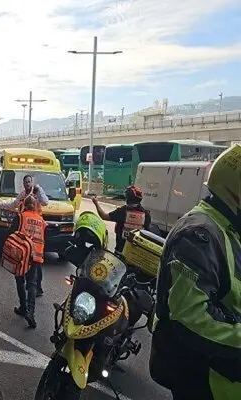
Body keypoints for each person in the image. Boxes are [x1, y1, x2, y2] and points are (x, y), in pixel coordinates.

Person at [150, 145, 241, 400]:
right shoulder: (199, 235)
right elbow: (190, 316)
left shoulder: (229, 229)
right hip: (206, 379)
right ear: (235, 195)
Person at [0, 174, 49, 294]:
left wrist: (39, 190)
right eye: (25, 182)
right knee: (25, 257)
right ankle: (30, 284)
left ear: (32, 182)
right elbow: (13, 205)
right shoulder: (22, 195)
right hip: (25, 228)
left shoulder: (37, 192)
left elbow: (45, 202)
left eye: (29, 182)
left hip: (36, 229)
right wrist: (0, 205)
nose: (27, 184)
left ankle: (37, 287)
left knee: (36, 260)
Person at [7, 195, 45, 328]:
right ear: (35, 206)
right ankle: (31, 313)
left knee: (20, 280)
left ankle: (23, 307)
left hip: (22, 254)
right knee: (32, 284)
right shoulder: (41, 220)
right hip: (36, 256)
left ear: (24, 204)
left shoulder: (20, 217)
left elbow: (11, 232)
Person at [92, 185, 151, 254]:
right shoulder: (146, 214)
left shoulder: (122, 211)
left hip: (120, 250)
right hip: (136, 253)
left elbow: (104, 216)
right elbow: (147, 233)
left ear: (127, 198)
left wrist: (96, 203)